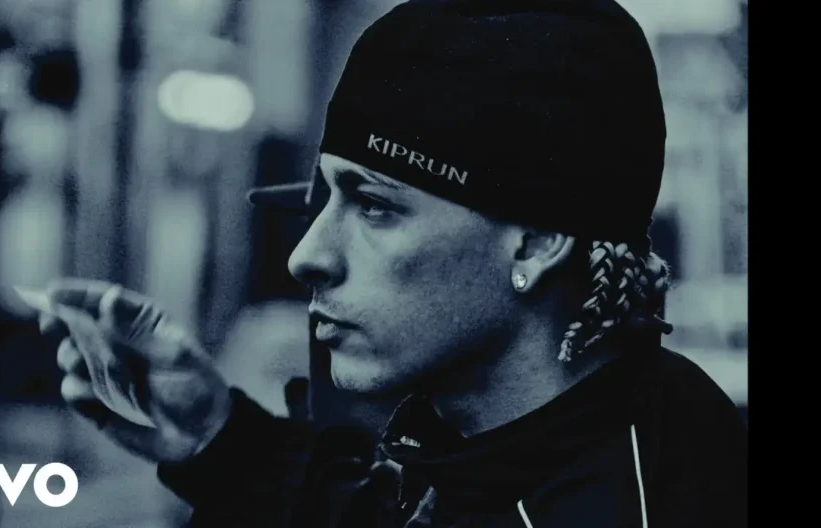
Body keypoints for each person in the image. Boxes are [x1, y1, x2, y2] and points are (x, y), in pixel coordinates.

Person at [36, 0, 748, 526]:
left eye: (374, 206)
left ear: (536, 243)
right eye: (323, 199)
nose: (306, 256)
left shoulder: (625, 503)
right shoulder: (522, 447)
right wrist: (220, 440)